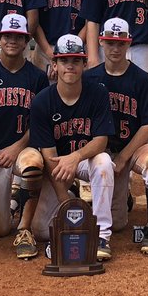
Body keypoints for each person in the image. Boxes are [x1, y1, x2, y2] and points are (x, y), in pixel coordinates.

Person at [28, 34, 116, 260]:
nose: (70, 66)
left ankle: (102, 234)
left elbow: (101, 141)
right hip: (57, 166)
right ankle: (73, 194)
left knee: (104, 161)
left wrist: (75, 157)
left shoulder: (98, 93)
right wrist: (64, 200)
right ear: (54, 65)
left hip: (84, 160)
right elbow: (49, 158)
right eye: (64, 60)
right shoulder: (42, 101)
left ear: (84, 64)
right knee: (40, 230)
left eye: (76, 61)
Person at [0, 13, 48, 259]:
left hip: (23, 148)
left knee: (33, 164)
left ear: (26, 41)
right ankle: (16, 201)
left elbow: (41, 123)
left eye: (18, 37)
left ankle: (24, 228)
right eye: (7, 36)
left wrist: (17, 147)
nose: (12, 41)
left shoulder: (37, 77)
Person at [88, 17, 148, 254]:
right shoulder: (90, 78)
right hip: (101, 151)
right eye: (110, 42)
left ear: (129, 43)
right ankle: (116, 196)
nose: (115, 48)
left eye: (120, 43)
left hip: (133, 147)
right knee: (119, 224)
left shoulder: (140, 78)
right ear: (101, 41)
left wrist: (124, 156)